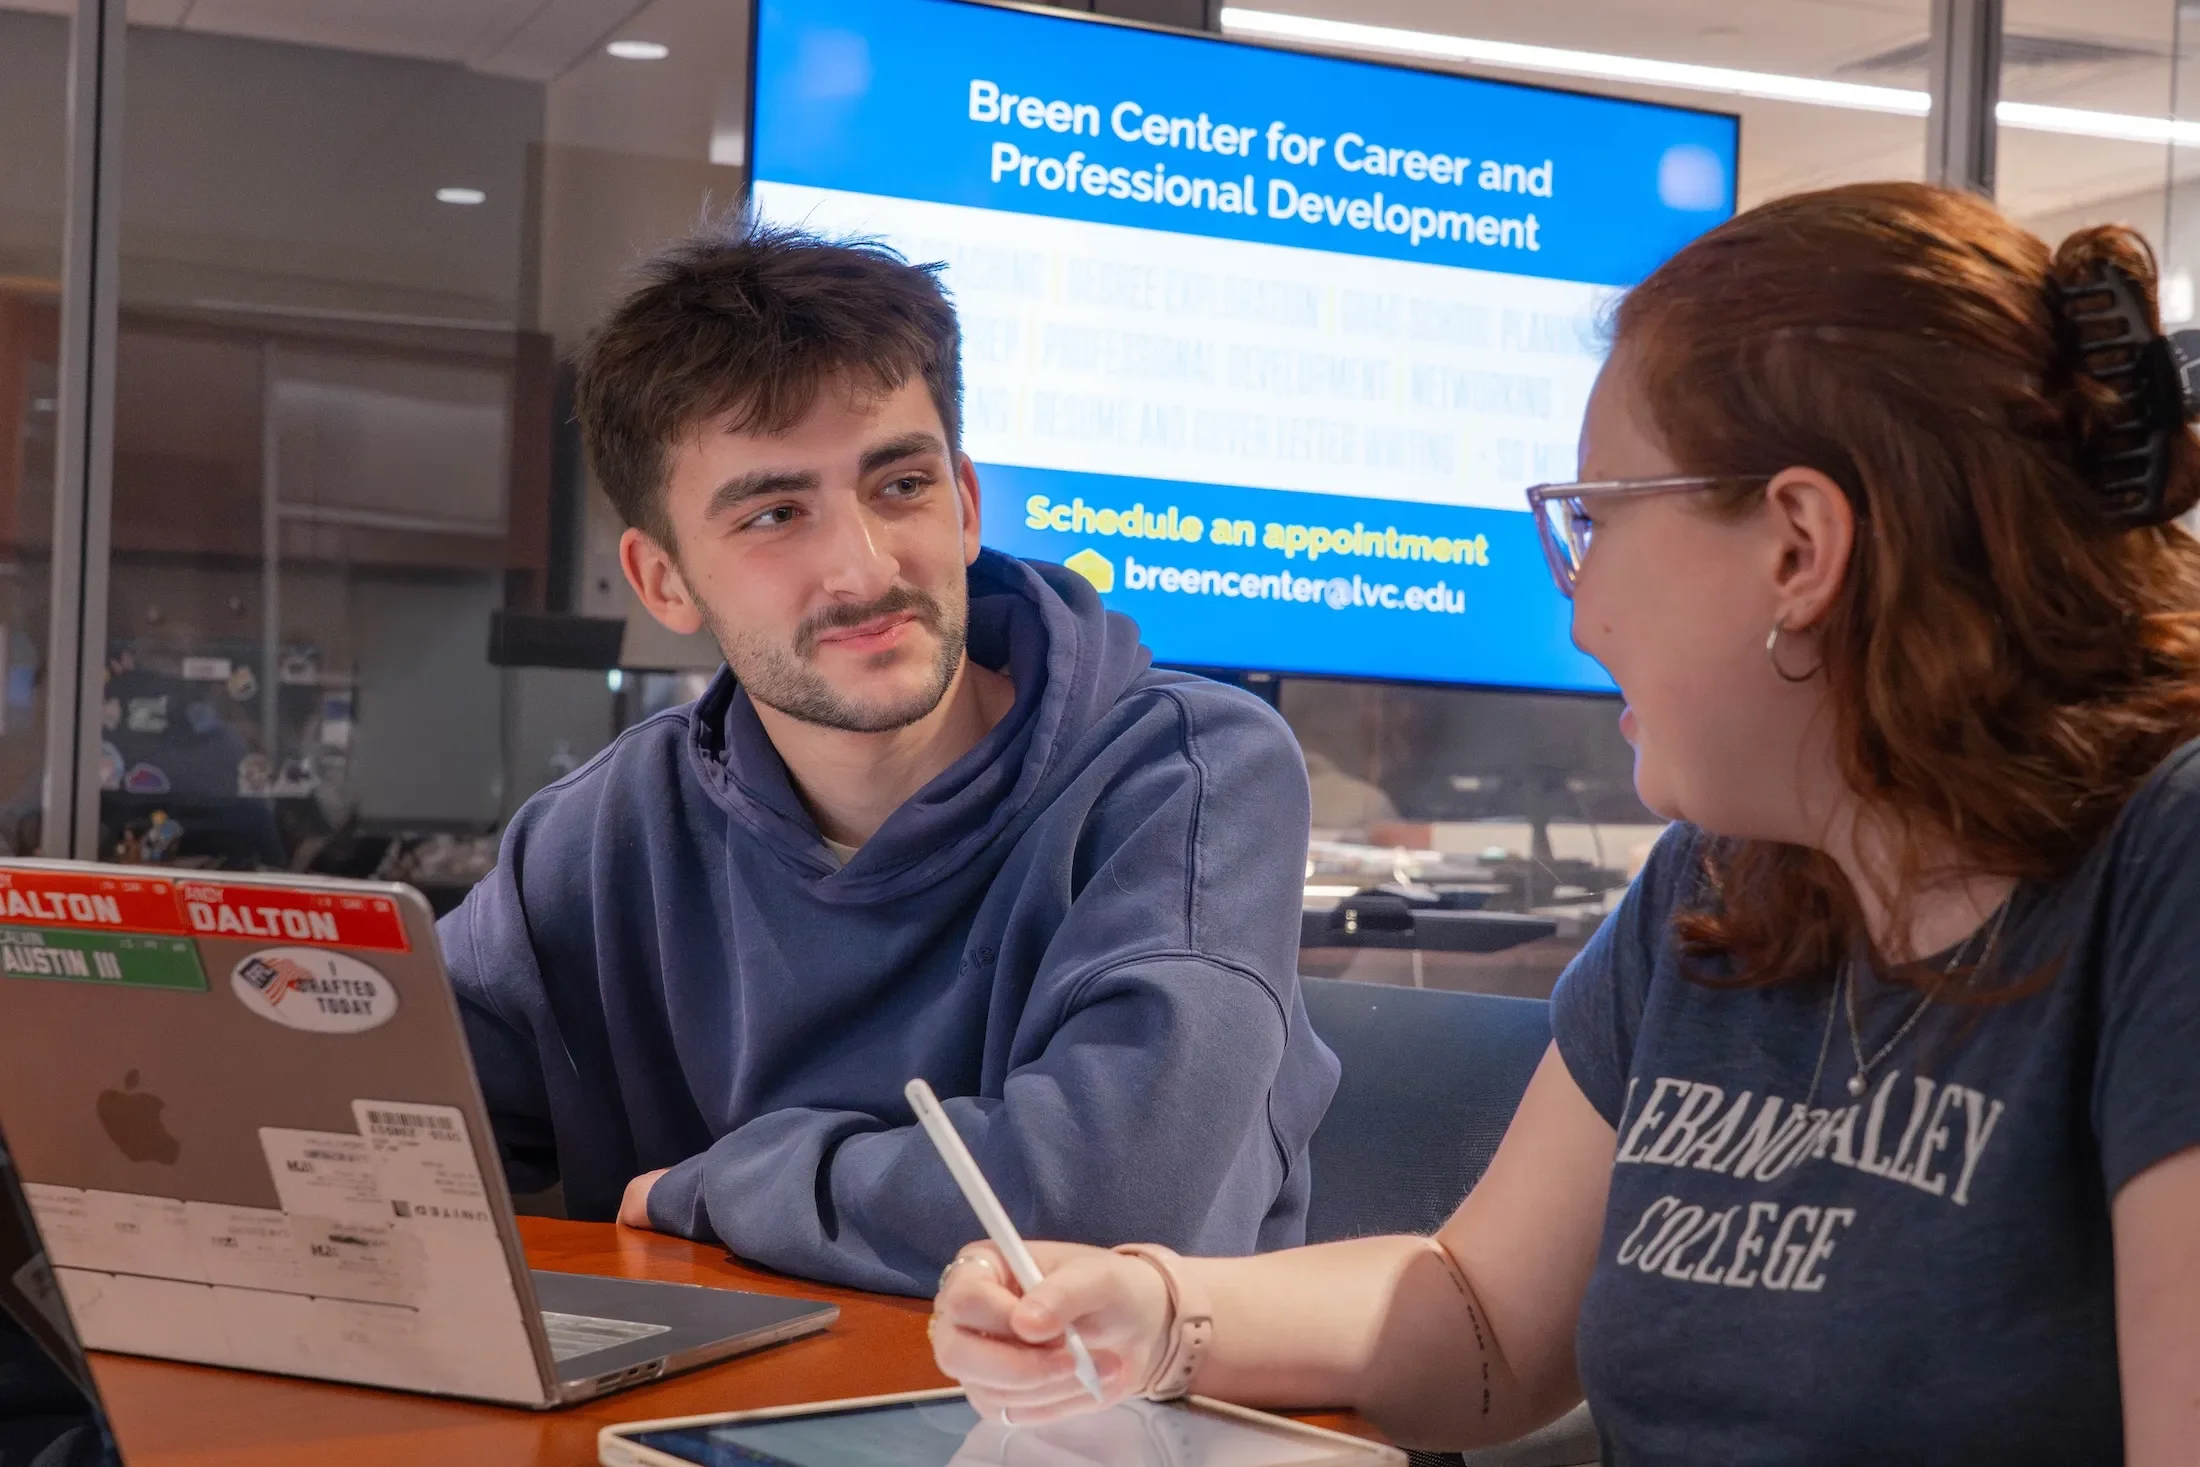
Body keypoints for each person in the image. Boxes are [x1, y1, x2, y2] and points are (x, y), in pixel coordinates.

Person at [927, 182, 2200, 1463]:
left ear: (1798, 547)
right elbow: (1484, 1321)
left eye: (1595, 521)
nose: (1581, 614)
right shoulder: (1725, 883)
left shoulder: (2167, 873)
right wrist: (1155, 1311)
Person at [440, 217, 1338, 1295]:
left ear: (964, 505)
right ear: (664, 581)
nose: (862, 570)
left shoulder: (1185, 776)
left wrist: (719, 1187)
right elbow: (380, 1109)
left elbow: (1099, 1214)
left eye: (898, 487)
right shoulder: (602, 833)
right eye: (774, 513)